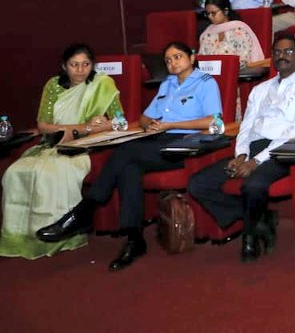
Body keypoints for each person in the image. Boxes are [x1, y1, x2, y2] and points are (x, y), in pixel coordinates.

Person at [37, 42, 222, 271]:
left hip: (186, 144)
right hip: (157, 140)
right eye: (168, 60)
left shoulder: (206, 83)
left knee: (124, 152)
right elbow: (145, 118)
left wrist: (171, 124)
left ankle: (85, 210)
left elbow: (214, 120)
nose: (173, 63)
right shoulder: (167, 84)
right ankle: (134, 239)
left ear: (192, 58)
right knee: (128, 168)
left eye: (178, 57)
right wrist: (151, 124)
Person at [188, 35, 295, 263]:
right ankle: (258, 217)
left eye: (288, 52)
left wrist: (256, 161)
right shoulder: (260, 89)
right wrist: (242, 154)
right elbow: (246, 127)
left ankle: (249, 236)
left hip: (286, 150)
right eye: (277, 52)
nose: (282, 56)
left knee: (253, 184)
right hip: (253, 147)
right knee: (198, 184)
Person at [0, 44, 121, 259]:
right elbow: (43, 125)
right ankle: (20, 236)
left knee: (50, 175)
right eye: (74, 65)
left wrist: (94, 127)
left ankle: (61, 234)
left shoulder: (103, 84)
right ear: (64, 66)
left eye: (86, 64)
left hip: (84, 148)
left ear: (93, 65)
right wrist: (79, 127)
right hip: (51, 145)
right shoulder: (54, 85)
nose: (80, 70)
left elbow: (120, 123)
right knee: (14, 173)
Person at [199, 0, 265, 69]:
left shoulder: (239, 30)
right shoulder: (207, 33)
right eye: (207, 14)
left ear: (226, 11)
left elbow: (245, 61)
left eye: (213, 13)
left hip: (235, 74)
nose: (210, 17)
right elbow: (202, 59)